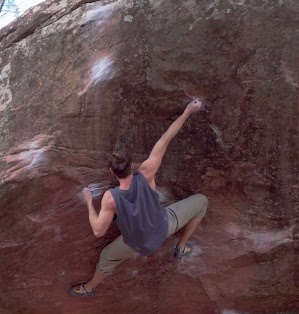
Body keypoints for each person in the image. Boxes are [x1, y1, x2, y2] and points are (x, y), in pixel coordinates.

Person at [69, 99, 209, 297]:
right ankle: (181, 247)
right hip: (163, 226)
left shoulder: (111, 198)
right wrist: (187, 112)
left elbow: (98, 231)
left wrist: (90, 203)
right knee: (202, 202)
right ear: (132, 166)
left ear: (111, 172)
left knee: (106, 257)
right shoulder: (146, 172)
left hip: (138, 244)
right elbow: (165, 139)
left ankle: (88, 289)